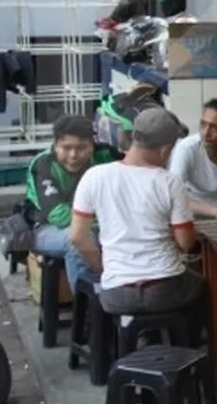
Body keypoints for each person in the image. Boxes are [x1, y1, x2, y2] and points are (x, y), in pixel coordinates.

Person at [68, 108, 202, 316]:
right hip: (165, 289)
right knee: (203, 284)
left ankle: (142, 338)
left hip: (117, 295)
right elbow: (185, 242)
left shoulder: (94, 176)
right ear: (165, 150)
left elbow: (77, 237)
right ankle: (183, 344)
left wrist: (102, 268)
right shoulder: (169, 182)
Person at [26, 114, 115, 288]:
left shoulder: (106, 156)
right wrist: (100, 223)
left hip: (98, 224)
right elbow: (58, 215)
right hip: (47, 229)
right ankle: (89, 308)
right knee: (78, 240)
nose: (73, 155)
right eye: (66, 148)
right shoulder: (43, 164)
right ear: (55, 145)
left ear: (92, 145)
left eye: (81, 148)